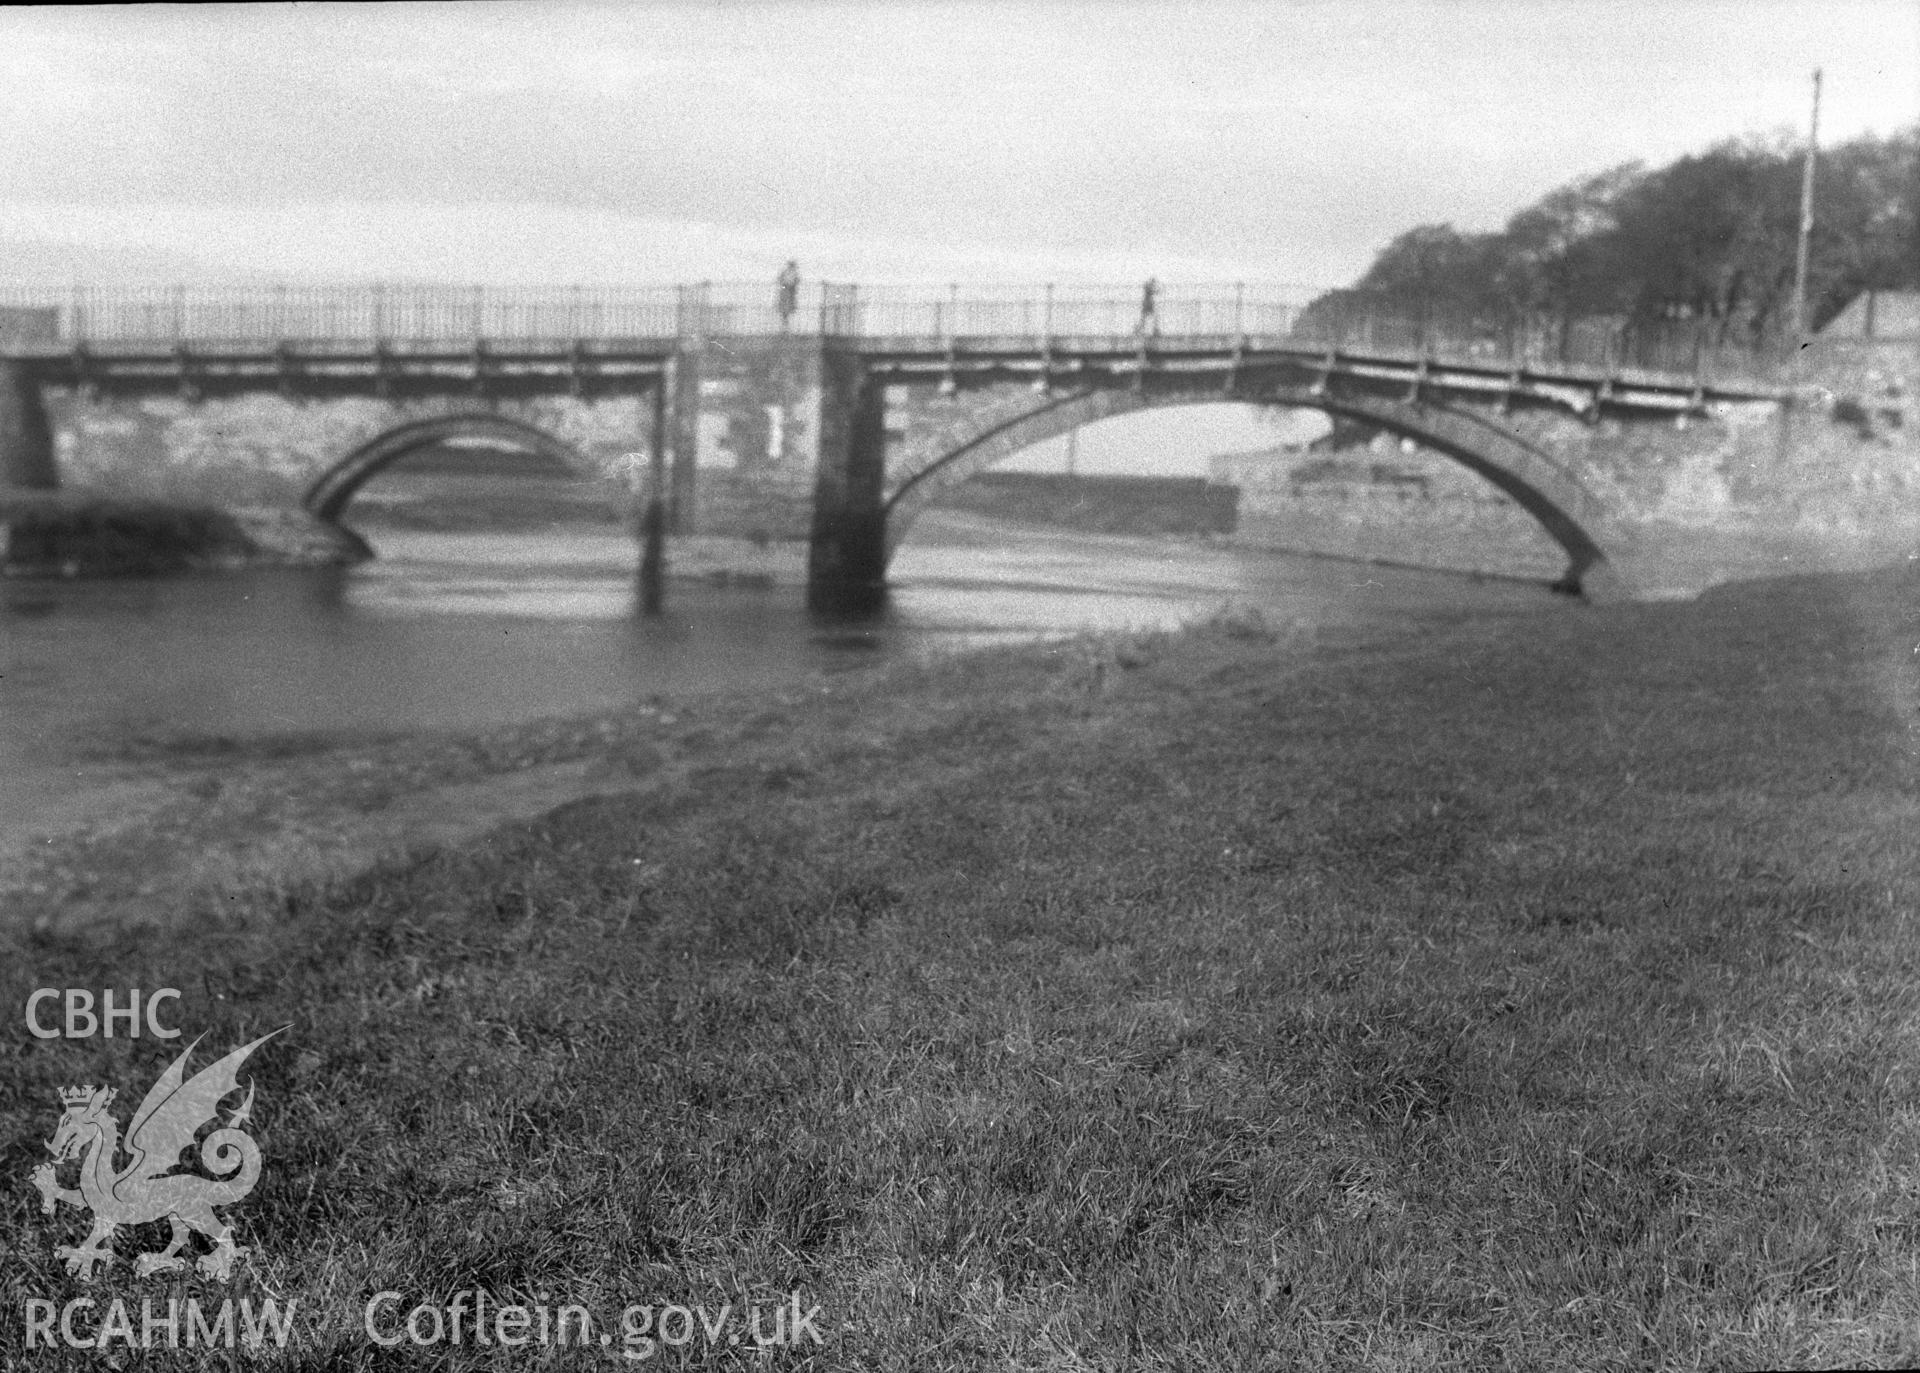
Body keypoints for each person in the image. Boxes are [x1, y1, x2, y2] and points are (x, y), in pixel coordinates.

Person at [776, 261, 800, 331]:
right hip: (785, 291)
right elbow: (781, 281)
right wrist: (784, 287)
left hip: (790, 292)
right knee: (785, 309)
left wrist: (793, 287)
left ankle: (786, 325)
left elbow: (797, 281)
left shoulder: (794, 273)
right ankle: (784, 325)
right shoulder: (785, 272)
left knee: (787, 309)